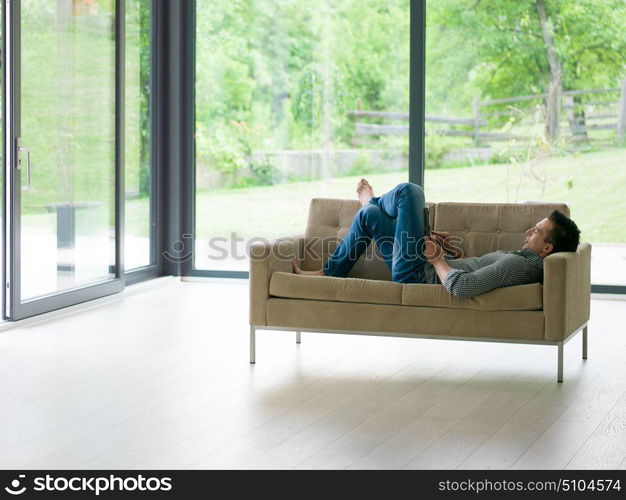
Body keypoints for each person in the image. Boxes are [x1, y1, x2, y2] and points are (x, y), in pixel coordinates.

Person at [292, 179, 581, 298]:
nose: (529, 231)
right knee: (370, 219)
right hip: (424, 266)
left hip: (418, 274)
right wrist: (444, 250)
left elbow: (462, 286)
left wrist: (438, 259)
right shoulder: (526, 259)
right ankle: (328, 270)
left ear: (548, 248)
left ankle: (371, 200)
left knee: (410, 192)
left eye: (537, 231)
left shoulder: (523, 267)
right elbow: (470, 269)